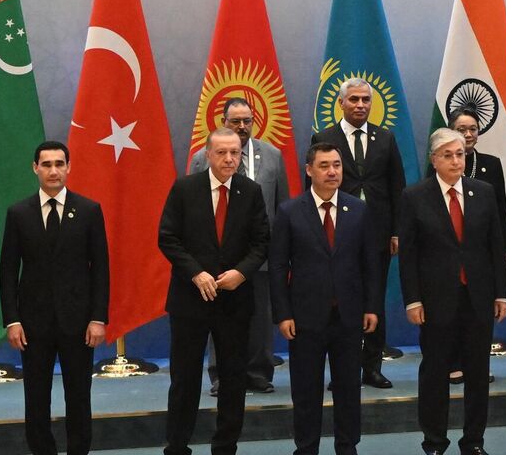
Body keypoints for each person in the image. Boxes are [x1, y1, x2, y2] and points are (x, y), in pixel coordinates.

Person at [159, 128, 270, 455]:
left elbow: (262, 242)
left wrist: (241, 272)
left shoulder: (251, 191)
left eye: (235, 152)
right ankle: (177, 446)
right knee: (185, 378)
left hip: (234, 300)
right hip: (189, 300)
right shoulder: (184, 189)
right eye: (221, 152)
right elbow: (167, 238)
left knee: (234, 378)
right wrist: (195, 273)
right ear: (208, 155)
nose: (229, 159)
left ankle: (225, 446)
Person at [401, 128, 506, 455]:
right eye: (447, 155)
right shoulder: (415, 196)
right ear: (434, 160)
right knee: (435, 373)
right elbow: (408, 255)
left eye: (460, 154)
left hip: (478, 298)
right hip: (435, 301)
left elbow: (496, 247)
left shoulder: (484, 192)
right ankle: (434, 442)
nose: (455, 161)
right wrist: (413, 299)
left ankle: (473, 442)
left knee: (478, 373)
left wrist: (502, 293)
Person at [270, 142, 383, 455]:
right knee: (306, 390)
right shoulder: (290, 211)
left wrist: (372, 306)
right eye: (324, 165)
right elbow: (278, 266)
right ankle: (306, 448)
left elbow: (370, 264)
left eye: (337, 164)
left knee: (349, 389)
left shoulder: (358, 209)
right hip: (305, 318)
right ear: (309, 170)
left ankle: (347, 447)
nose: (333, 171)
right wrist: (283, 314)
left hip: (348, 316)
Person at [2, 141, 109, 455]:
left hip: (79, 322)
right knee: (36, 398)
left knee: (79, 396)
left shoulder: (89, 210)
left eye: (59, 164)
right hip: (32, 324)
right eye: (46, 164)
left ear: (69, 167)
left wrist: (98, 317)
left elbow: (101, 268)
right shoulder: (19, 213)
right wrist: (12, 319)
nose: (53, 170)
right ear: (35, 168)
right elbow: (8, 271)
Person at [309, 78, 406, 389]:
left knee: (373, 298)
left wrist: (396, 231)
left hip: (377, 233)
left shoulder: (385, 138)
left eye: (366, 99)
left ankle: (373, 367)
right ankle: (343, 370)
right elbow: (312, 188)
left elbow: (396, 187)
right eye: (354, 100)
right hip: (336, 234)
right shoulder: (324, 137)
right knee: (342, 301)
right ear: (341, 103)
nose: (361, 105)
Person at [186, 98, 284, 395]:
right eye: (235, 121)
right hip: (218, 254)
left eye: (247, 121)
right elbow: (192, 208)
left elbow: (281, 205)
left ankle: (258, 372)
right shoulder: (202, 159)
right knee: (220, 316)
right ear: (223, 122)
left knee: (260, 317)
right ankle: (221, 375)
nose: (242, 127)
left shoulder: (273, 155)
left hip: (260, 254)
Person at [440, 107, 506, 381]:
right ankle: (453, 362)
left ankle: (478, 364)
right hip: (450, 253)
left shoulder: (491, 164)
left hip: (482, 253)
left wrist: (505, 246)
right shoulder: (440, 164)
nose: (468, 134)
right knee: (454, 309)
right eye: (462, 129)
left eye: (473, 129)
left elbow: (501, 210)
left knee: (480, 312)